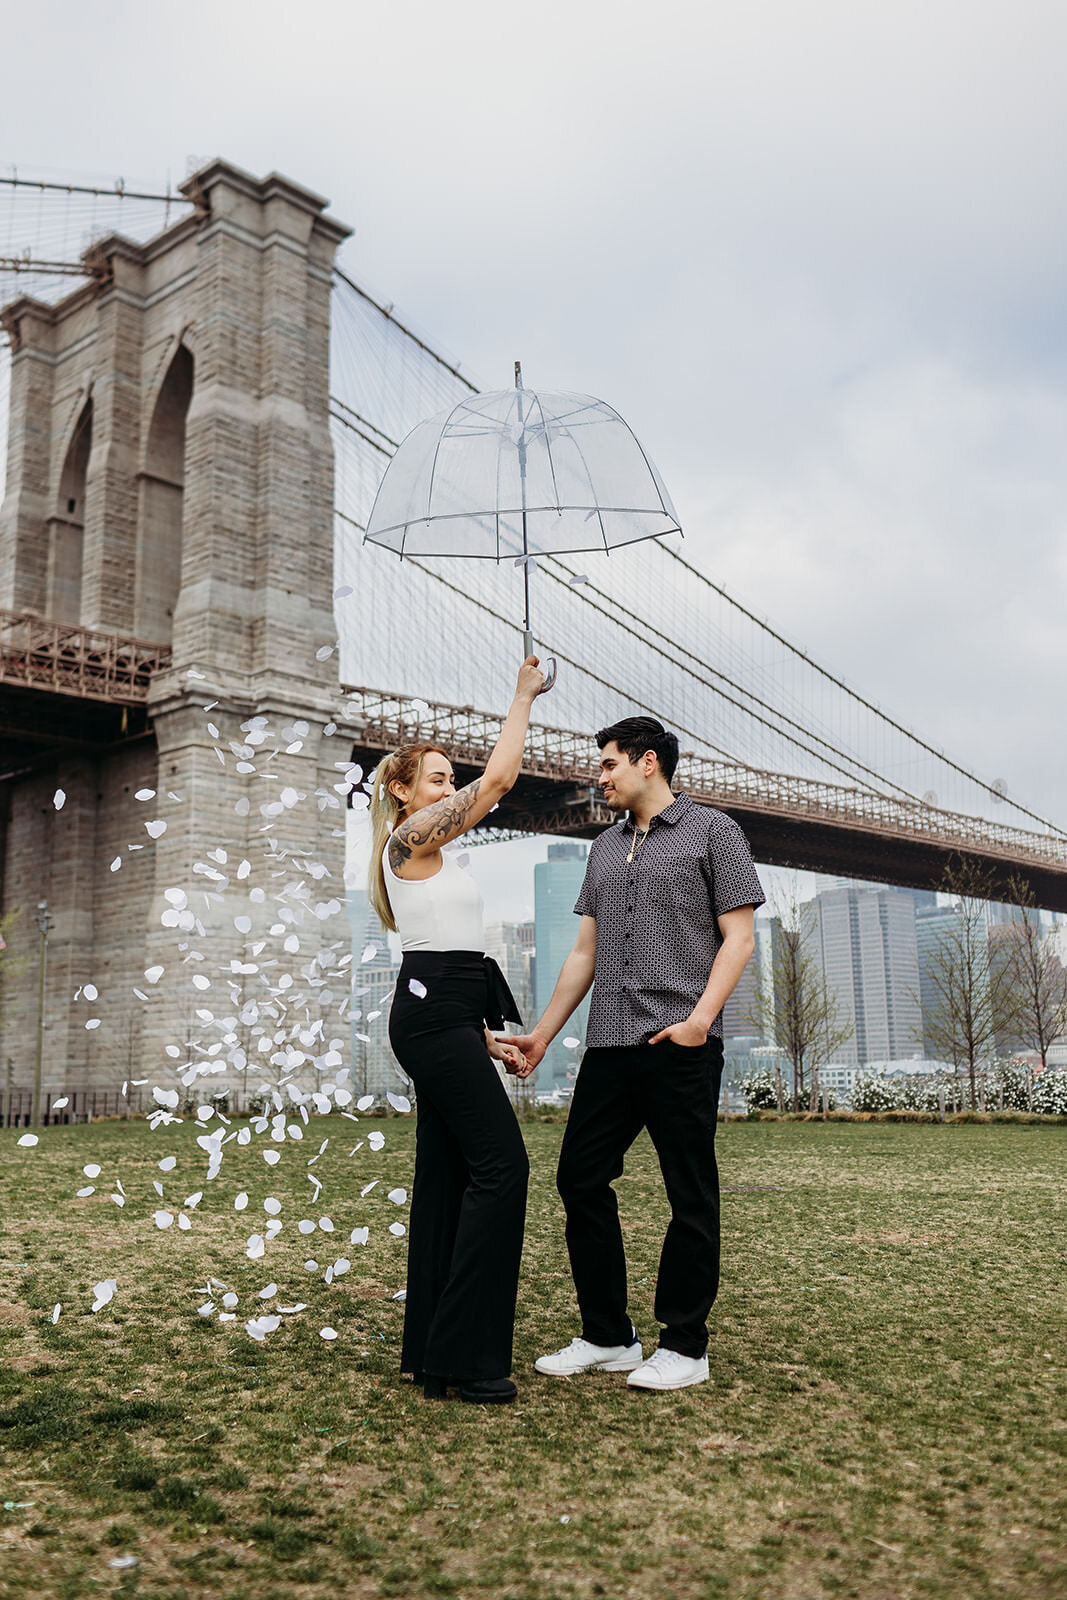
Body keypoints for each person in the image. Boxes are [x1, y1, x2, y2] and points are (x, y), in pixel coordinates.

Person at [503, 715, 764, 1392]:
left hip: (679, 1044)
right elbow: (584, 954)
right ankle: (608, 1335)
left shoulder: (714, 833)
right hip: (609, 1045)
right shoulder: (601, 849)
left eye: (608, 764)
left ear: (648, 763)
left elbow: (737, 940)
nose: (599, 776)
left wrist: (699, 1023)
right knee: (578, 1180)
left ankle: (685, 1344)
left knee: (689, 1195)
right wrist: (541, 1033)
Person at [368, 657, 544, 1405]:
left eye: (450, 779)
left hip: (445, 1014)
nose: (450, 788)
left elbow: (449, 959)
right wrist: (520, 696)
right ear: (403, 791)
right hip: (431, 1014)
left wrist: (480, 1034)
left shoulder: (432, 856)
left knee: (447, 1178)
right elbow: (500, 783)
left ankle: (435, 1355)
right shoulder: (409, 841)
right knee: (502, 1168)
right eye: (437, 778)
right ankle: (469, 1357)